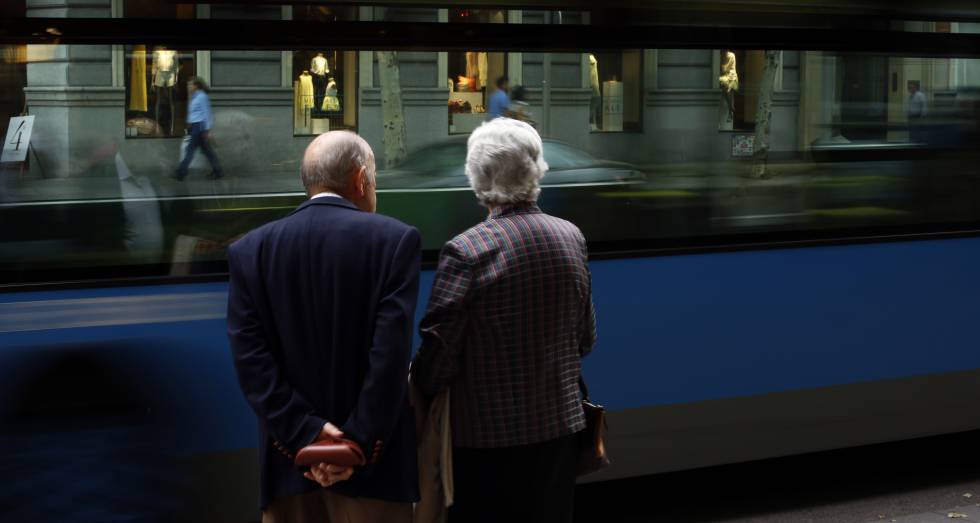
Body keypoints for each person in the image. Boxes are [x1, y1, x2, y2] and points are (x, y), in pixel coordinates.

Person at [227, 131, 421, 523]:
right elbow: (390, 359)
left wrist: (306, 435)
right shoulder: (395, 241)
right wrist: (353, 446)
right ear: (360, 179)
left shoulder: (251, 250)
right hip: (375, 477)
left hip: (289, 475)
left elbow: (252, 363)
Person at [411, 118, 597, 523]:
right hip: (560, 432)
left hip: (486, 442)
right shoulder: (571, 236)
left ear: (478, 175)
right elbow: (585, 339)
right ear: (536, 169)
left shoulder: (467, 250)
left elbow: (438, 359)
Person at [173, 77, 223, 180]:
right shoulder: (195, 96)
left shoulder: (202, 97)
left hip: (199, 127)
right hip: (196, 126)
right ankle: (218, 171)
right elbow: (194, 112)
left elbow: (206, 113)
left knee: (190, 150)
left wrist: (207, 130)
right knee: (207, 151)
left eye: (190, 84)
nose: (188, 86)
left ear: (196, 86)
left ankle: (181, 172)